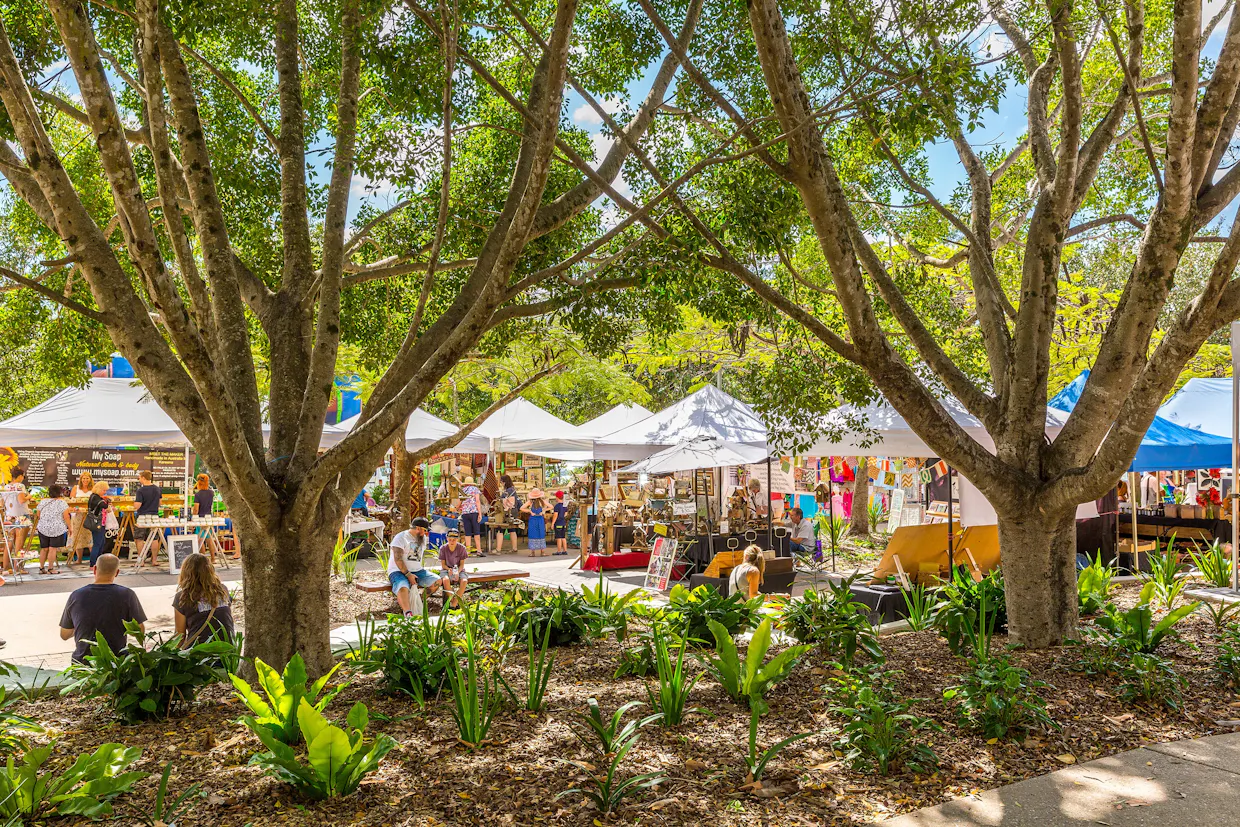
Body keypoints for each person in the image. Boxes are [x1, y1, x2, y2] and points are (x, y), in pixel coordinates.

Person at [59, 553, 147, 663]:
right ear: (117, 573)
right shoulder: (127, 595)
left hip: (83, 663)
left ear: (94, 569)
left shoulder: (76, 595)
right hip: (116, 663)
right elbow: (139, 632)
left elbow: (64, 634)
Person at [172, 552, 235, 646]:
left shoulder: (183, 597)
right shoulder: (223, 590)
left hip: (199, 652)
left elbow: (180, 636)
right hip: (226, 650)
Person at [388, 517, 441, 616]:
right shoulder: (401, 538)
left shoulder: (423, 538)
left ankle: (418, 601)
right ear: (418, 528)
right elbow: (398, 559)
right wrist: (408, 574)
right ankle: (408, 612)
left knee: (437, 581)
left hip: (418, 570)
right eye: (424, 530)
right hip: (398, 571)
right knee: (402, 586)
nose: (425, 533)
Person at [35, 483, 71, 575]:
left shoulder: (43, 502)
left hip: (43, 527)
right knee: (52, 548)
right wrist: (70, 528)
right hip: (57, 528)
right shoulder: (62, 503)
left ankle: (41, 567)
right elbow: (66, 517)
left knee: (44, 548)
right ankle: (50, 568)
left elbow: (38, 515)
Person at [2, 467, 31, 575]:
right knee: (19, 542)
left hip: (9, 516)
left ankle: (5, 568)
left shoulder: (6, 487)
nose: (23, 478)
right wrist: (29, 496)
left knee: (9, 542)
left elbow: (2, 503)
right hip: (20, 516)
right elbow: (21, 500)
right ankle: (17, 568)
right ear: (19, 476)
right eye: (23, 476)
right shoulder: (20, 486)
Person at [132, 470, 162, 563]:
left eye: (140, 477)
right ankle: (154, 560)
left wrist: (133, 504)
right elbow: (160, 503)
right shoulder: (157, 489)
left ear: (144, 478)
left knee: (139, 538)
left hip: (142, 517)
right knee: (154, 538)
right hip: (154, 516)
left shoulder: (140, 490)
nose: (139, 479)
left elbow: (137, 505)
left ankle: (141, 560)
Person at [68, 471, 95, 566]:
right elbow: (71, 500)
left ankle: (93, 559)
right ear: (81, 479)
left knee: (90, 536)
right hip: (77, 516)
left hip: (90, 515)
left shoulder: (93, 489)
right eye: (83, 478)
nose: (85, 480)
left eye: (87, 478)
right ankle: (79, 559)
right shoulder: (76, 488)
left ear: (90, 479)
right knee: (77, 536)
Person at [438, 529, 469, 609]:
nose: (452, 542)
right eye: (450, 539)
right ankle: (452, 601)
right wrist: (449, 569)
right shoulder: (443, 548)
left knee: (464, 581)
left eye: (454, 540)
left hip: (458, 569)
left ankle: (454, 603)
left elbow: (462, 565)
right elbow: (443, 565)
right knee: (445, 580)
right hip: (446, 569)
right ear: (447, 539)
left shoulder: (462, 548)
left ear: (457, 539)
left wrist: (457, 572)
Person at [193, 474, 220, 564]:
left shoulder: (198, 494)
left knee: (200, 538)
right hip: (208, 517)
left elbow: (196, 508)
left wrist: (193, 517)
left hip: (200, 518)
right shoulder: (211, 493)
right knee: (209, 538)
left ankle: (203, 559)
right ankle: (213, 558)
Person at [86, 480, 111, 568]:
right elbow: (104, 506)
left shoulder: (95, 497)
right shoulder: (95, 497)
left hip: (100, 523)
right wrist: (107, 503)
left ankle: (98, 562)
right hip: (97, 523)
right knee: (97, 543)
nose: (105, 492)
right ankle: (93, 564)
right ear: (99, 489)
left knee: (101, 542)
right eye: (104, 490)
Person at [459, 475, 484, 558]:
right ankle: (479, 550)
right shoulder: (475, 489)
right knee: (476, 532)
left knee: (468, 532)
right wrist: (480, 513)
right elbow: (477, 501)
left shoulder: (462, 490)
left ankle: (468, 551)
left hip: (465, 513)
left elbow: (460, 502)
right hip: (474, 512)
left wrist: (457, 508)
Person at [521, 488, 549, 557]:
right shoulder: (542, 502)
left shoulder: (530, 502)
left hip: (533, 519)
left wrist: (530, 511)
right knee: (541, 533)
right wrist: (543, 511)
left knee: (532, 534)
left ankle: (532, 552)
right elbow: (551, 506)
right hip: (540, 519)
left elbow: (521, 508)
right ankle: (542, 552)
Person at [500, 474, 521, 553]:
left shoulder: (507, 491)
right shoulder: (513, 490)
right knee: (512, 529)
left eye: (501, 482)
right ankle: (514, 548)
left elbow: (502, 500)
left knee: (501, 529)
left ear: (504, 482)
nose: (501, 484)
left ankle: (498, 549)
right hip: (514, 511)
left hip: (508, 511)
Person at [552, 491, 569, 556]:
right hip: (563, 523)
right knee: (563, 537)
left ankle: (559, 551)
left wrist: (553, 523)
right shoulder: (565, 505)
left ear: (557, 497)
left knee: (558, 538)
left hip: (558, 523)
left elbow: (555, 515)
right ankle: (565, 550)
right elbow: (566, 514)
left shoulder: (557, 506)